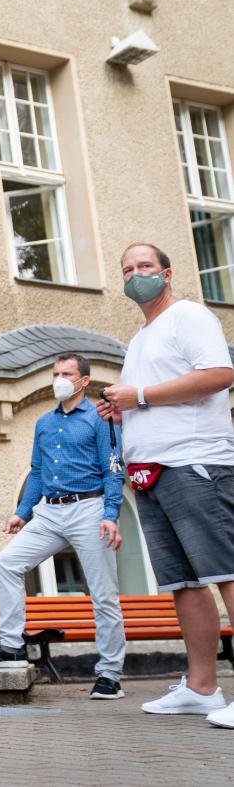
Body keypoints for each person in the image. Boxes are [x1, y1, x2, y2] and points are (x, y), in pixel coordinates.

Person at [97, 243, 234, 728]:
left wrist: (142, 396)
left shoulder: (190, 317)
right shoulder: (142, 336)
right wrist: (125, 406)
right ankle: (201, 688)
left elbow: (220, 374)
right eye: (127, 269)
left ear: (167, 273)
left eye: (145, 267)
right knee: (184, 583)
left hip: (195, 463)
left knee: (227, 572)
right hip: (150, 472)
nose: (136, 275)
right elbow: (152, 398)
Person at [0, 354, 127, 700]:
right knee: (7, 563)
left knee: (103, 594)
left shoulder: (100, 419)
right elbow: (38, 473)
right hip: (50, 513)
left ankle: (110, 674)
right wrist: (22, 512)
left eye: (66, 373)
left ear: (83, 381)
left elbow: (113, 469)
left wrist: (110, 514)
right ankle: (12, 647)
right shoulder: (44, 423)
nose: (59, 378)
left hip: (89, 508)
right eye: (55, 373)